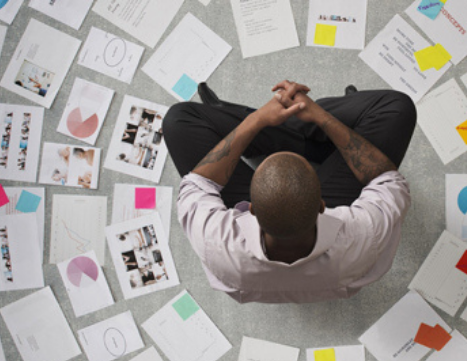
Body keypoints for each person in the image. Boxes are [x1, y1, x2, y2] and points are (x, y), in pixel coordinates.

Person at [164, 80, 416, 303]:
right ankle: (316, 131)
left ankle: (275, 129)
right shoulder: (364, 233)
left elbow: (196, 184)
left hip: (257, 231)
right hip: (341, 207)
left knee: (178, 121)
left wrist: (258, 120)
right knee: (397, 107)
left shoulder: (215, 240)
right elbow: (387, 179)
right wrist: (321, 116)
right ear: (321, 204)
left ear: (250, 208)